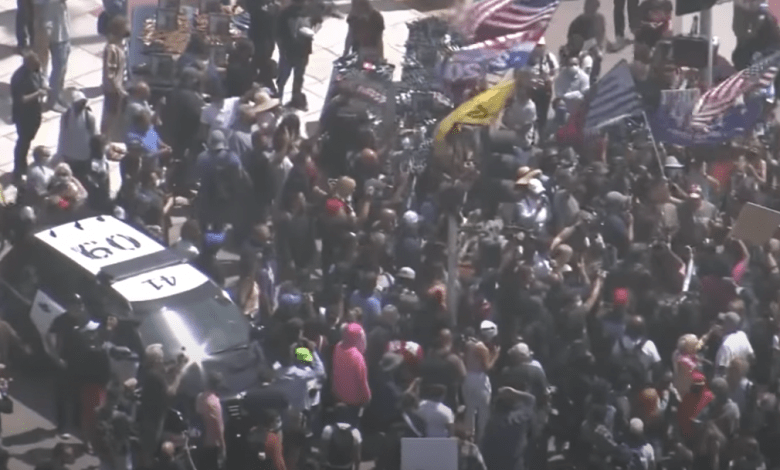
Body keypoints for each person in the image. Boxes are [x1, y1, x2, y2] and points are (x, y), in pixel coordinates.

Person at [137, 344, 189, 467]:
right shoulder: (155, 376)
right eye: (160, 358)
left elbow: (166, 371)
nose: (163, 360)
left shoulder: (150, 373)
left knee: (148, 449)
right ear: (156, 360)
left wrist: (178, 364)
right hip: (153, 420)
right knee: (149, 451)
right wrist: (179, 375)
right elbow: (170, 392)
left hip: (149, 416)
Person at [11, 50, 47, 183]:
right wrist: (38, 93)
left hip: (34, 112)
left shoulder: (35, 70)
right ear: (28, 64)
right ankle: (18, 169)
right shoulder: (20, 78)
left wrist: (43, 85)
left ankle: (23, 164)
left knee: (28, 139)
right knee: (23, 142)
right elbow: (22, 99)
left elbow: (41, 78)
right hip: (23, 115)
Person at [462, 321, 500, 443]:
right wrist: (495, 354)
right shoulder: (481, 347)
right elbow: (487, 367)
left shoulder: (468, 344)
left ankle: (469, 437)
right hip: (479, 380)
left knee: (469, 410)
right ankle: (482, 439)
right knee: (483, 411)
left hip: (467, 378)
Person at [32, 0, 70, 112]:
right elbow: (36, 9)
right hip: (47, 30)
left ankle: (57, 95)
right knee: (52, 66)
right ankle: (52, 100)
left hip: (61, 30)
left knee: (61, 67)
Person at [276, 0, 314, 110]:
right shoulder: (284, 14)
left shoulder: (308, 11)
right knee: (282, 78)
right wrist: (283, 51)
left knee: (299, 77)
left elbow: (314, 24)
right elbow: (278, 36)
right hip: (288, 51)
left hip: (303, 51)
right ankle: (278, 101)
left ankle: (296, 99)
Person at [332, 323, 371, 427]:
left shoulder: (338, 347)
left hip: (339, 398)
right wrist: (367, 399)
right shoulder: (357, 357)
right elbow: (362, 382)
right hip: (353, 404)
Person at [57, 90, 98, 185]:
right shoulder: (66, 116)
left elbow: (95, 134)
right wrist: (60, 153)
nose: (82, 105)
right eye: (79, 103)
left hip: (85, 156)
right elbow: (62, 135)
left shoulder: (89, 116)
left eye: (83, 103)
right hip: (69, 156)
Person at [101, 15, 129, 140]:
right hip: (113, 91)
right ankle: (105, 141)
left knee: (113, 118)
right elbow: (110, 74)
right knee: (109, 118)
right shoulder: (112, 49)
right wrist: (119, 90)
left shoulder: (119, 46)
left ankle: (107, 140)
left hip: (117, 89)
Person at [196, 372, 227, 470]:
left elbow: (198, 413)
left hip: (199, 440)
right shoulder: (215, 402)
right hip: (212, 443)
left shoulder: (200, 397)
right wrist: (223, 445)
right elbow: (218, 425)